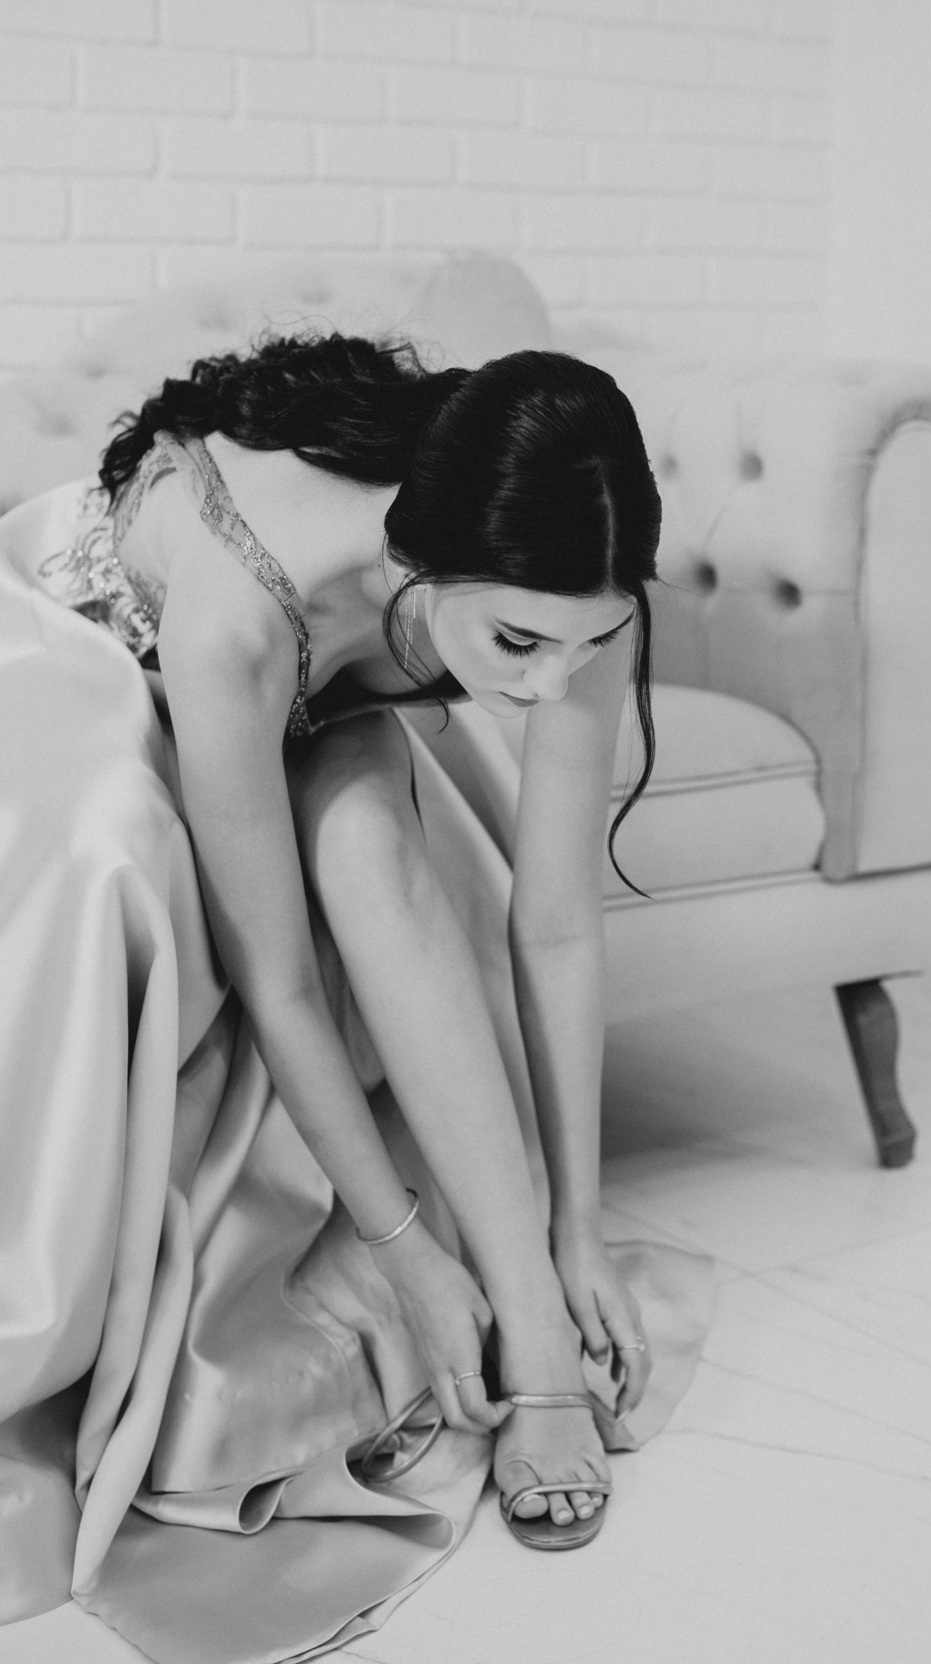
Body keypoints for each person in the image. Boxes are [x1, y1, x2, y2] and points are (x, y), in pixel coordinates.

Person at [0, 332, 710, 1662]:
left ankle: (538, 1333)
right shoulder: (241, 611)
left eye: (590, 644)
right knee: (139, 865)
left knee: (376, 855)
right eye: (517, 643)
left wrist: (579, 1225)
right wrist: (407, 1255)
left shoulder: (576, 586)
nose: (549, 686)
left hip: (334, 668)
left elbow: (556, 920)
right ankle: (477, 1299)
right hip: (115, 654)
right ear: (419, 566)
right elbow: (276, 983)